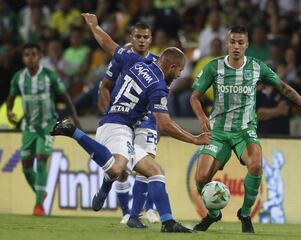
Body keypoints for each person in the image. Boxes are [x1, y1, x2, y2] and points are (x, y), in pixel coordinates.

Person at [53, 14, 211, 233]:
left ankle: (167, 222)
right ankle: (74, 132)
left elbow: (108, 44)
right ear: (171, 66)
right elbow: (164, 124)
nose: (179, 74)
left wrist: (94, 25)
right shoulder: (157, 86)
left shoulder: (134, 59)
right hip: (115, 125)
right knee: (118, 167)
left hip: (128, 127)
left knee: (155, 170)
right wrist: (194, 139)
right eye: (179, 70)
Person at [190, 26, 301, 233]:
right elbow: (194, 97)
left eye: (240, 42)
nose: (236, 46)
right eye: (232, 42)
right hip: (218, 131)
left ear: (247, 45)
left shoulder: (257, 67)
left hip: (245, 130)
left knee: (256, 165)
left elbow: (284, 88)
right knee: (200, 178)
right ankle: (214, 214)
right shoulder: (213, 67)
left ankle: (244, 214)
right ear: (227, 43)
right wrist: (201, 117)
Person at [94, 19, 159, 226]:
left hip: (146, 119)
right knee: (120, 170)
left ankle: (145, 210)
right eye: (138, 36)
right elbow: (104, 86)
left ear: (151, 39)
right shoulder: (123, 59)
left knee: (147, 163)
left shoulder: (158, 63)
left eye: (145, 37)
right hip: (122, 118)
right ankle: (126, 212)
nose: (141, 40)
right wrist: (109, 109)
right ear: (131, 38)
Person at [6, 43, 80, 216]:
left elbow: (65, 96)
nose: (30, 57)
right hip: (28, 127)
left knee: (41, 160)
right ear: (23, 58)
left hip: (47, 125)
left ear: (40, 56)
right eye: (27, 55)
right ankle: (41, 192)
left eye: (34, 54)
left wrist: (75, 117)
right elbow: (11, 97)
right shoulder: (18, 77)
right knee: (26, 168)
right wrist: (9, 111)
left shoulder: (49, 76)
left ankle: (38, 205)